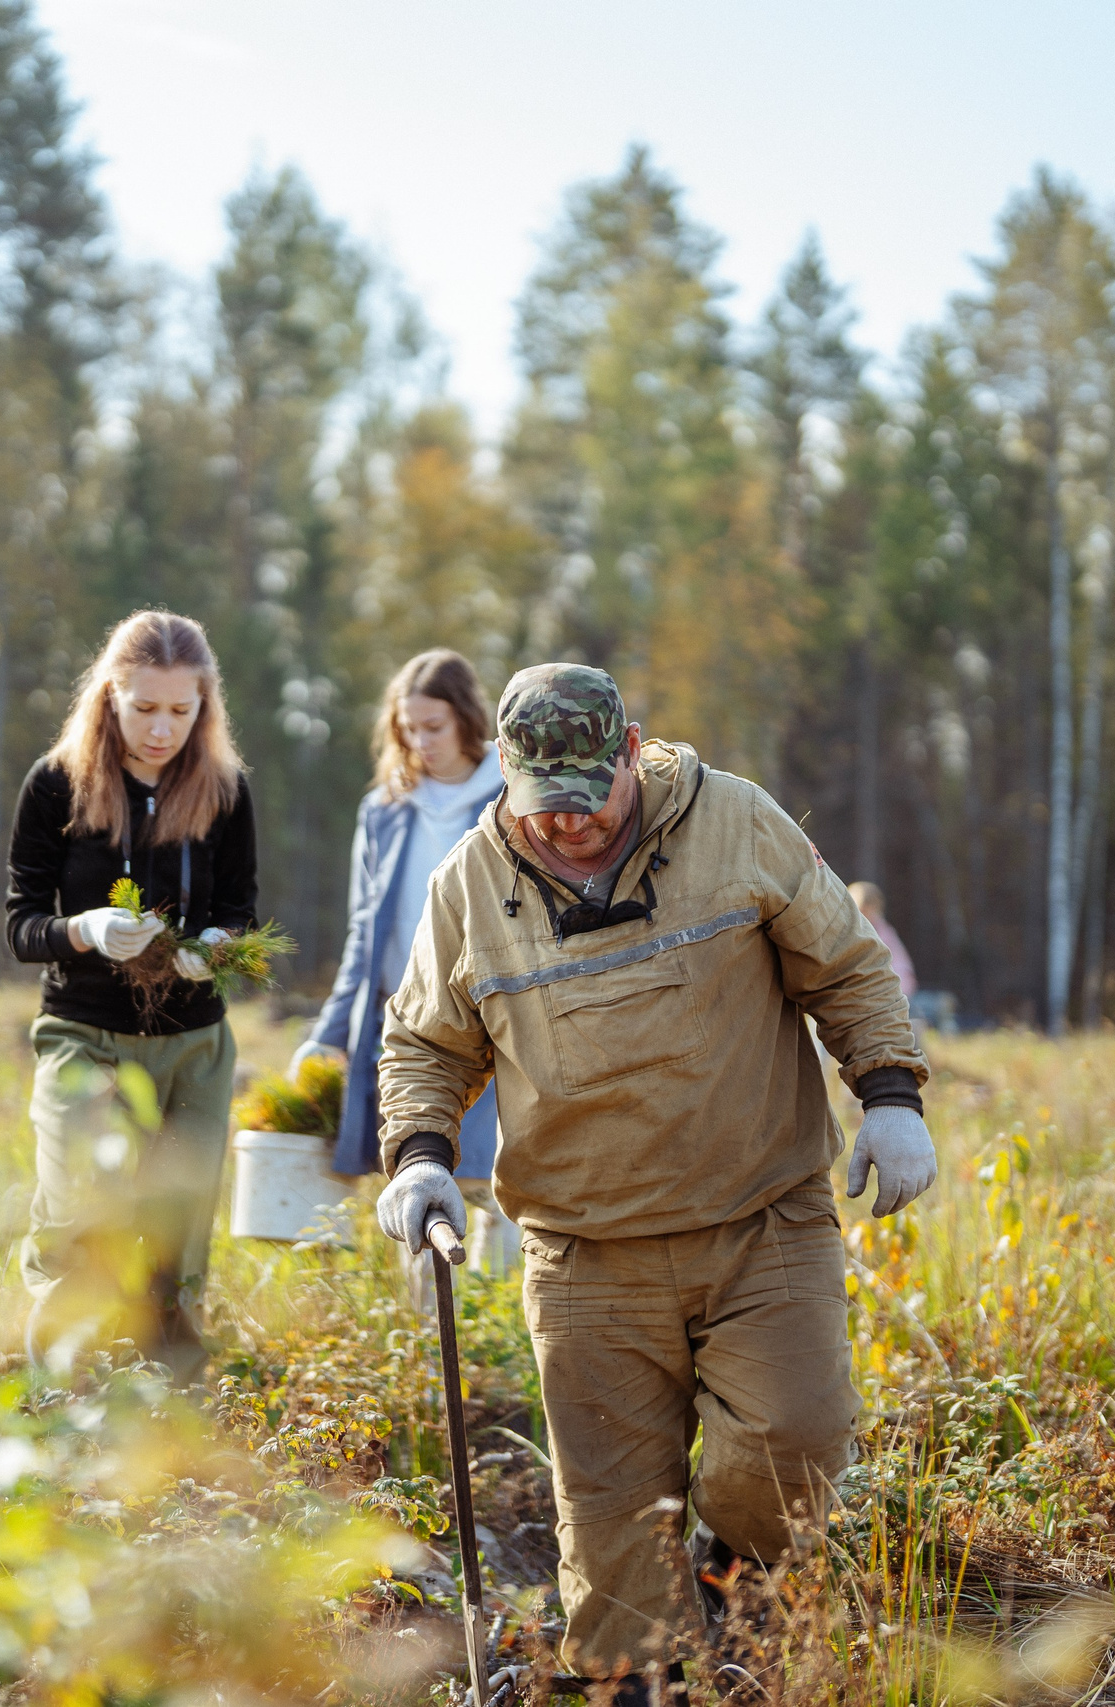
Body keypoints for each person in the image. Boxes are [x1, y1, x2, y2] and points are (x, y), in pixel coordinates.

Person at [372, 663, 936, 1701]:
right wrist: (419, 1159)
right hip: (585, 1250)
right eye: (548, 807)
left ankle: (733, 1578)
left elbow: (846, 968)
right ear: (505, 775)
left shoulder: (735, 824)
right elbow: (421, 1043)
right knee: (612, 1514)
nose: (573, 827)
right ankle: (640, 1683)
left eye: (592, 799)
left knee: (789, 1449)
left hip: (761, 1218)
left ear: (632, 751)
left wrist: (890, 1094)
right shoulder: (468, 884)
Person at [5, 610, 257, 1381]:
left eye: (182, 711)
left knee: (176, 1235)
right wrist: (79, 929)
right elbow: (20, 924)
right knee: (83, 1211)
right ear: (109, 694)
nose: (162, 729)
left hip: (193, 1049)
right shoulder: (56, 786)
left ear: (204, 706)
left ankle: (167, 1414)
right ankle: (59, 1389)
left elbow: (239, 910)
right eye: (144, 707)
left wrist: (214, 949)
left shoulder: (225, 790)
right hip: (85, 1036)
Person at [297, 649, 507, 1184]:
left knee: (493, 1186)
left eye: (433, 727)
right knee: (416, 1173)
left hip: (494, 1018)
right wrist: (330, 1033)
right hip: (408, 1024)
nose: (420, 743)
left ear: (466, 716)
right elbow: (363, 935)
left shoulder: (513, 797)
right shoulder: (384, 810)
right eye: (408, 729)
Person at [848, 880, 916, 997]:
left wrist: (896, 991)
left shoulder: (884, 932)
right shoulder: (847, 932)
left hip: (885, 993)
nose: (866, 916)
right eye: (862, 911)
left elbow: (902, 967)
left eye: (869, 911)